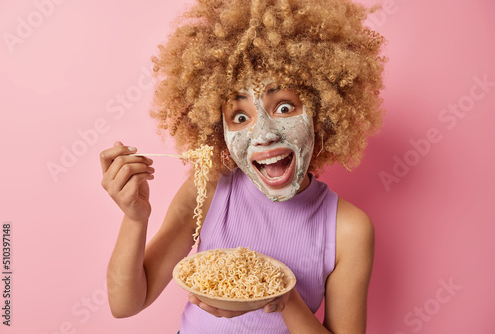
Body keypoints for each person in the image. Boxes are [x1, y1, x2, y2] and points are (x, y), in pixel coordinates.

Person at [100, 0, 386, 332]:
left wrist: (281, 298)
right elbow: (125, 304)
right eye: (239, 117)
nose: (263, 134)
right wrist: (135, 217)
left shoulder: (348, 228)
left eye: (283, 107)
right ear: (219, 132)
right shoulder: (208, 186)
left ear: (321, 114)